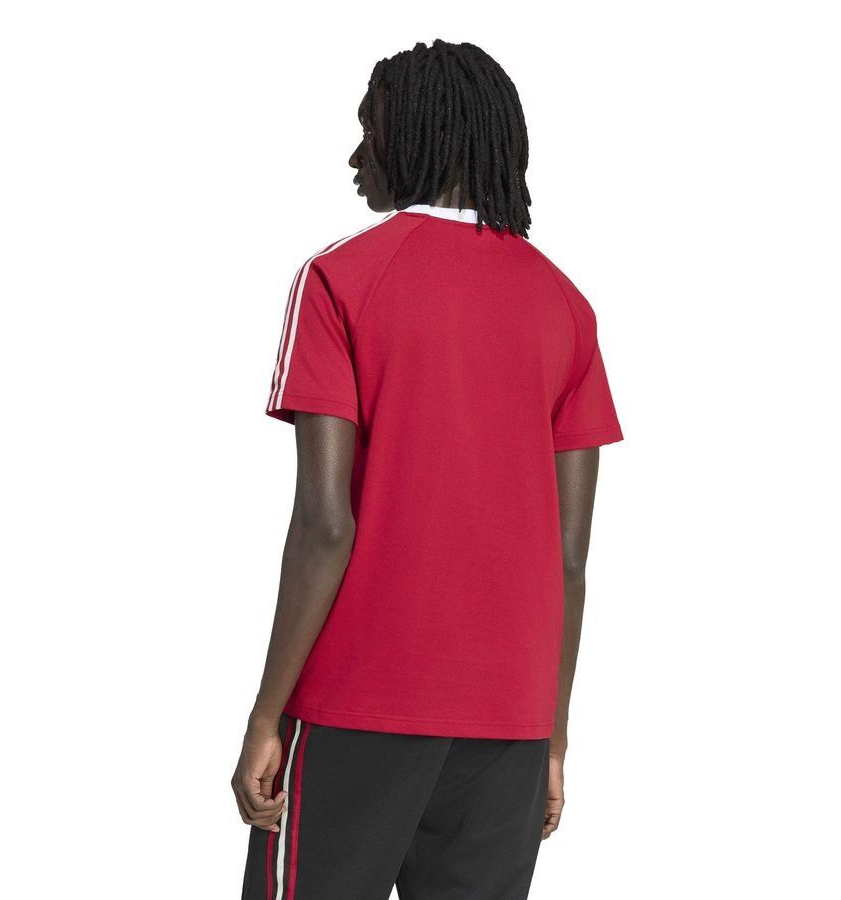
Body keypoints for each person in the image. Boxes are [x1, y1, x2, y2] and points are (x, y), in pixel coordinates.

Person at [233, 38, 623, 899]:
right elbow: (569, 560)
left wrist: (266, 716)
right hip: (511, 720)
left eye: (368, 131)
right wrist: (553, 737)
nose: (355, 156)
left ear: (418, 137)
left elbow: (325, 525)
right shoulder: (566, 305)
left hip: (355, 704)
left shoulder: (339, 280)